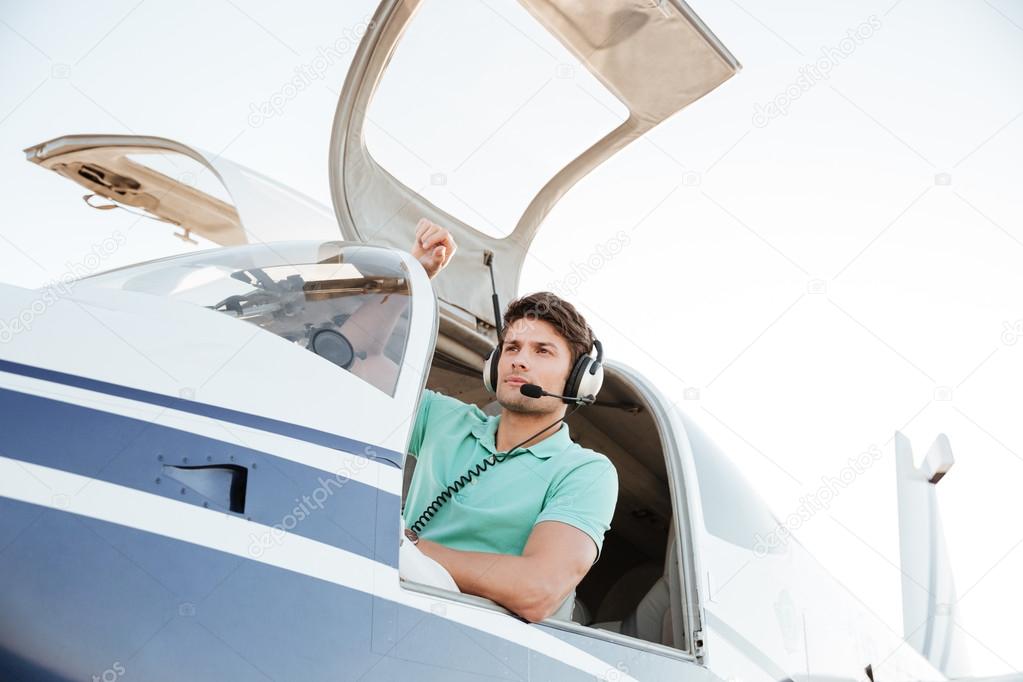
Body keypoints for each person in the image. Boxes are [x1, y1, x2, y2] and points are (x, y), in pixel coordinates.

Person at [399, 218, 619, 623]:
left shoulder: (586, 472)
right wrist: (412, 277)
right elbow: (357, 367)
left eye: (542, 351)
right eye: (512, 346)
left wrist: (406, 551)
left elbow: (537, 590)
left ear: (579, 379)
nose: (519, 358)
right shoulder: (442, 418)